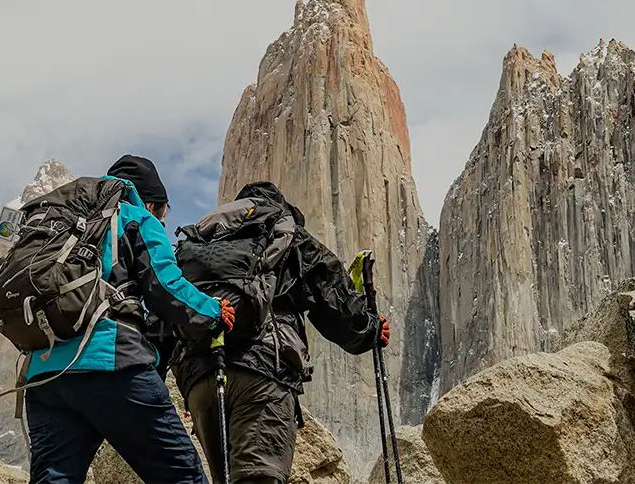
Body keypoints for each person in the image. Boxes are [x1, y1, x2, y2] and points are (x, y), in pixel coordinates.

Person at [23, 154, 234, 484]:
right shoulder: (135, 217)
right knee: (182, 475)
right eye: (163, 215)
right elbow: (166, 288)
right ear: (152, 203)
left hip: (45, 375)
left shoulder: (67, 220)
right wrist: (213, 310)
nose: (163, 223)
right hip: (110, 364)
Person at [170, 181, 391, 484]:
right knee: (257, 479)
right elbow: (330, 292)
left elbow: (165, 306)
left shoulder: (201, 240)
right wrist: (370, 329)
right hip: (261, 373)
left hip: (201, 379)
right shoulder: (284, 231)